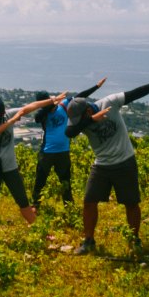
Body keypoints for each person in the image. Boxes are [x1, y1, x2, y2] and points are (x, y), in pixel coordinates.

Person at [65, 72, 149, 255]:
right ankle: (88, 241)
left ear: (87, 109)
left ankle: (135, 239)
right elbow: (69, 133)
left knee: (131, 203)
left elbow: (135, 93)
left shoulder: (109, 102)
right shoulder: (81, 120)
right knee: (89, 201)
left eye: (82, 118)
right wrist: (91, 120)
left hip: (124, 160)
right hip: (101, 164)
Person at [0, 93, 65, 239]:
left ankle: (40, 233)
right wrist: (13, 120)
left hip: (10, 167)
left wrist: (51, 101)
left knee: (23, 201)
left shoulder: (7, 114)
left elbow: (29, 107)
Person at [29, 77, 107, 211]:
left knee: (65, 181)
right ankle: (35, 204)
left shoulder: (64, 106)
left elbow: (80, 97)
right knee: (40, 180)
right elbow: (37, 118)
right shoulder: (43, 114)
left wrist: (96, 87)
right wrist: (48, 105)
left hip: (63, 151)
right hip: (47, 152)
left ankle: (68, 206)